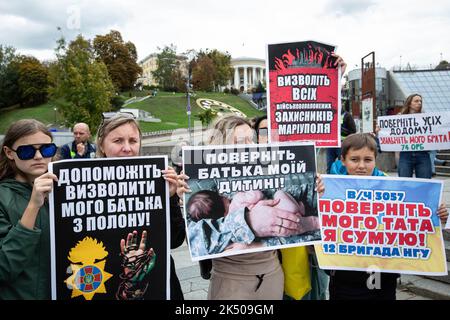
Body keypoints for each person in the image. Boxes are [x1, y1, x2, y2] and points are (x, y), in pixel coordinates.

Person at [178, 115, 324, 300]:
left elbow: (297, 197)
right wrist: (246, 220)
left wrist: (315, 189)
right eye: (239, 142)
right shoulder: (201, 178)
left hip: (272, 274)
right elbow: (194, 238)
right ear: (219, 146)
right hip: (231, 281)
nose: (248, 147)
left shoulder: (270, 167)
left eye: (251, 140)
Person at [326, 132, 448, 300]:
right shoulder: (328, 188)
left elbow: (412, 221)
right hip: (344, 277)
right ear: (343, 160)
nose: (361, 166)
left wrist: (437, 215)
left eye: (368, 160)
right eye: (354, 159)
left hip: (383, 276)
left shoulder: (393, 187)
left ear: (375, 160)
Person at [95, 113, 185, 300]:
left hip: (158, 284)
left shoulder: (158, 179)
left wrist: (170, 198)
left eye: (133, 141)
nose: (127, 148)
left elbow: (175, 240)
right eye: (118, 141)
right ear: (102, 145)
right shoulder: (84, 188)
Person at [0, 119, 58, 299]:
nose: (39, 156)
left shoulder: (64, 188)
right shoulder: (3, 197)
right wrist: (33, 205)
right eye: (27, 151)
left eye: (46, 149)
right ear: (9, 153)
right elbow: (4, 268)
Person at [397, 94, 432, 178]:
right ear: (409, 103)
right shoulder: (399, 118)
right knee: (404, 183)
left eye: (420, 101)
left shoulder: (426, 119)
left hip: (423, 154)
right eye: (416, 101)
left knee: (425, 183)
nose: (419, 103)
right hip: (405, 154)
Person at [326, 104, 356, 174]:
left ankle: (342, 180)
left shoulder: (347, 116)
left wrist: (342, 131)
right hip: (331, 144)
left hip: (342, 144)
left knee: (342, 165)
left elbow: (353, 131)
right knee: (329, 164)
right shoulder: (329, 115)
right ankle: (329, 181)